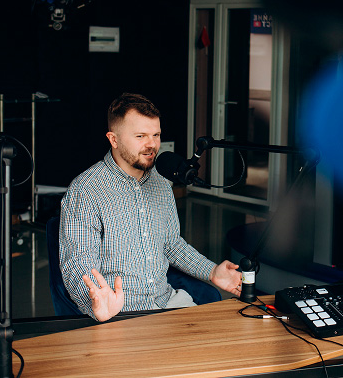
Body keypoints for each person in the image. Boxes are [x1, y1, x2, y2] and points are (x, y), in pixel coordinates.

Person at [59, 92, 242, 321]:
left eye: (156, 135)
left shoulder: (161, 181)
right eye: (140, 136)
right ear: (113, 139)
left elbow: (172, 244)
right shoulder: (86, 190)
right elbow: (78, 263)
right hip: (119, 313)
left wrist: (212, 271)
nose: (152, 144)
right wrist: (97, 304)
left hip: (167, 302)